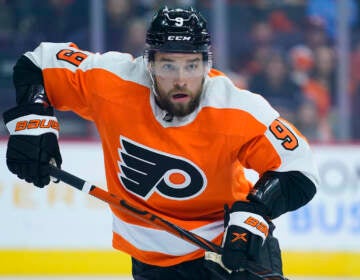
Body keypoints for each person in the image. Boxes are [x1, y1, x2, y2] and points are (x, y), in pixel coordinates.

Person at [2, 6, 319, 280]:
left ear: (206, 64)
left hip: (232, 246)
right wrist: (33, 127)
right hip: (153, 261)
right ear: (149, 62)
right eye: (168, 65)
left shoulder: (235, 107)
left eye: (192, 65)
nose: (181, 78)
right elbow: (40, 63)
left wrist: (253, 215)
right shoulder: (114, 81)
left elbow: (298, 165)